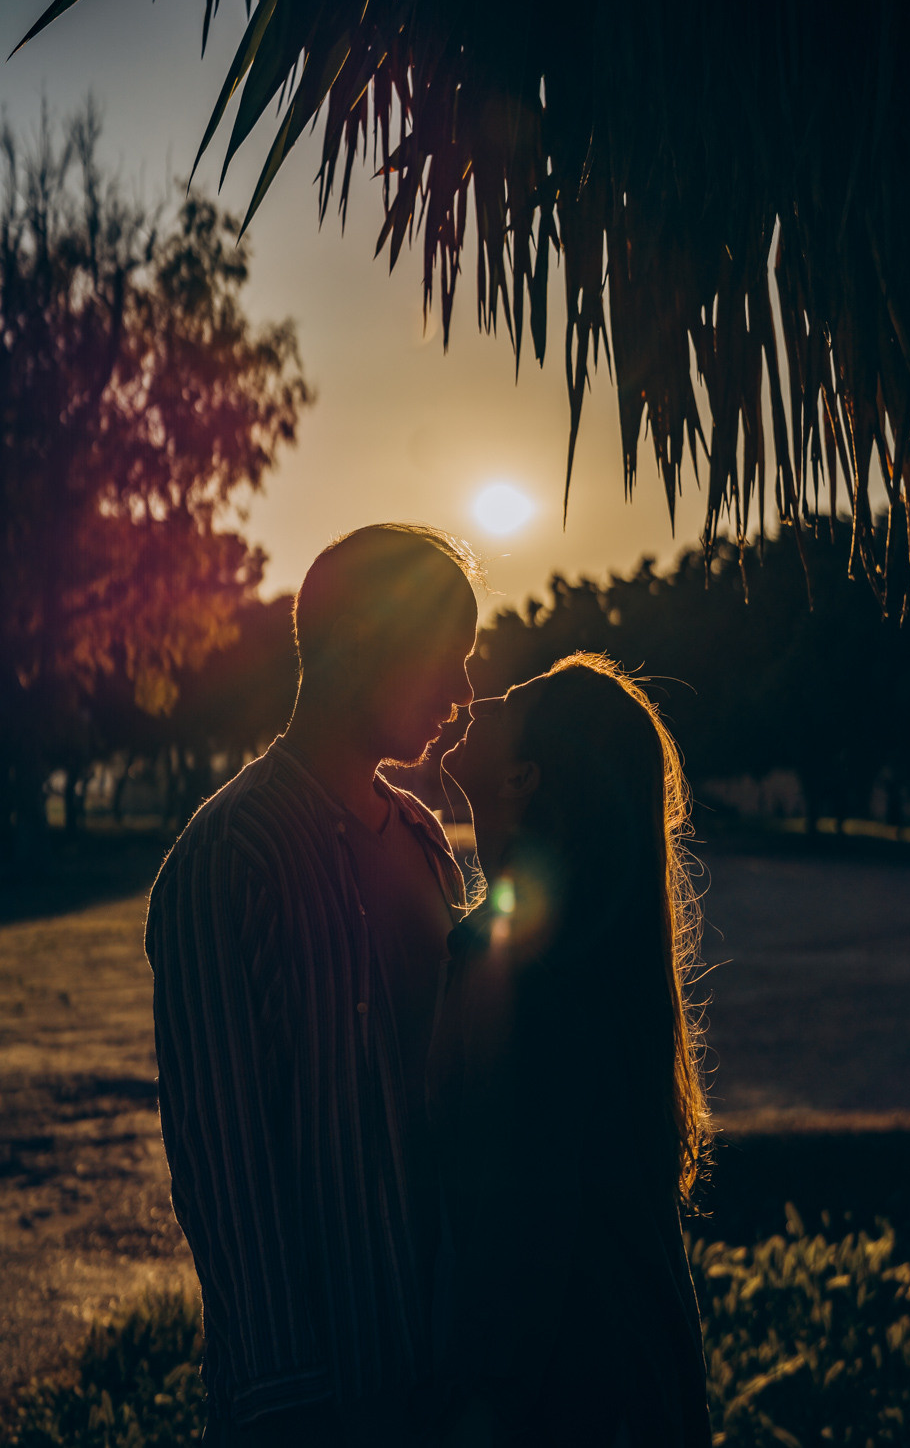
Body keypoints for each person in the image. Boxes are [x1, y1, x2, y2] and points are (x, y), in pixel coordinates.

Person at [145, 524, 480, 1447]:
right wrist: (290, 1402)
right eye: (444, 659)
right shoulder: (229, 858)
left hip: (443, 1366)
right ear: (365, 643)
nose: (461, 694)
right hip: (319, 1401)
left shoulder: (419, 837)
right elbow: (225, 1165)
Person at [429, 652, 713, 1448]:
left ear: (522, 778)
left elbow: (518, 1247)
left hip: (576, 1401)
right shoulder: (591, 957)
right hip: (636, 1379)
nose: (483, 695)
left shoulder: (520, 967)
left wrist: (471, 1414)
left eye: (514, 697)